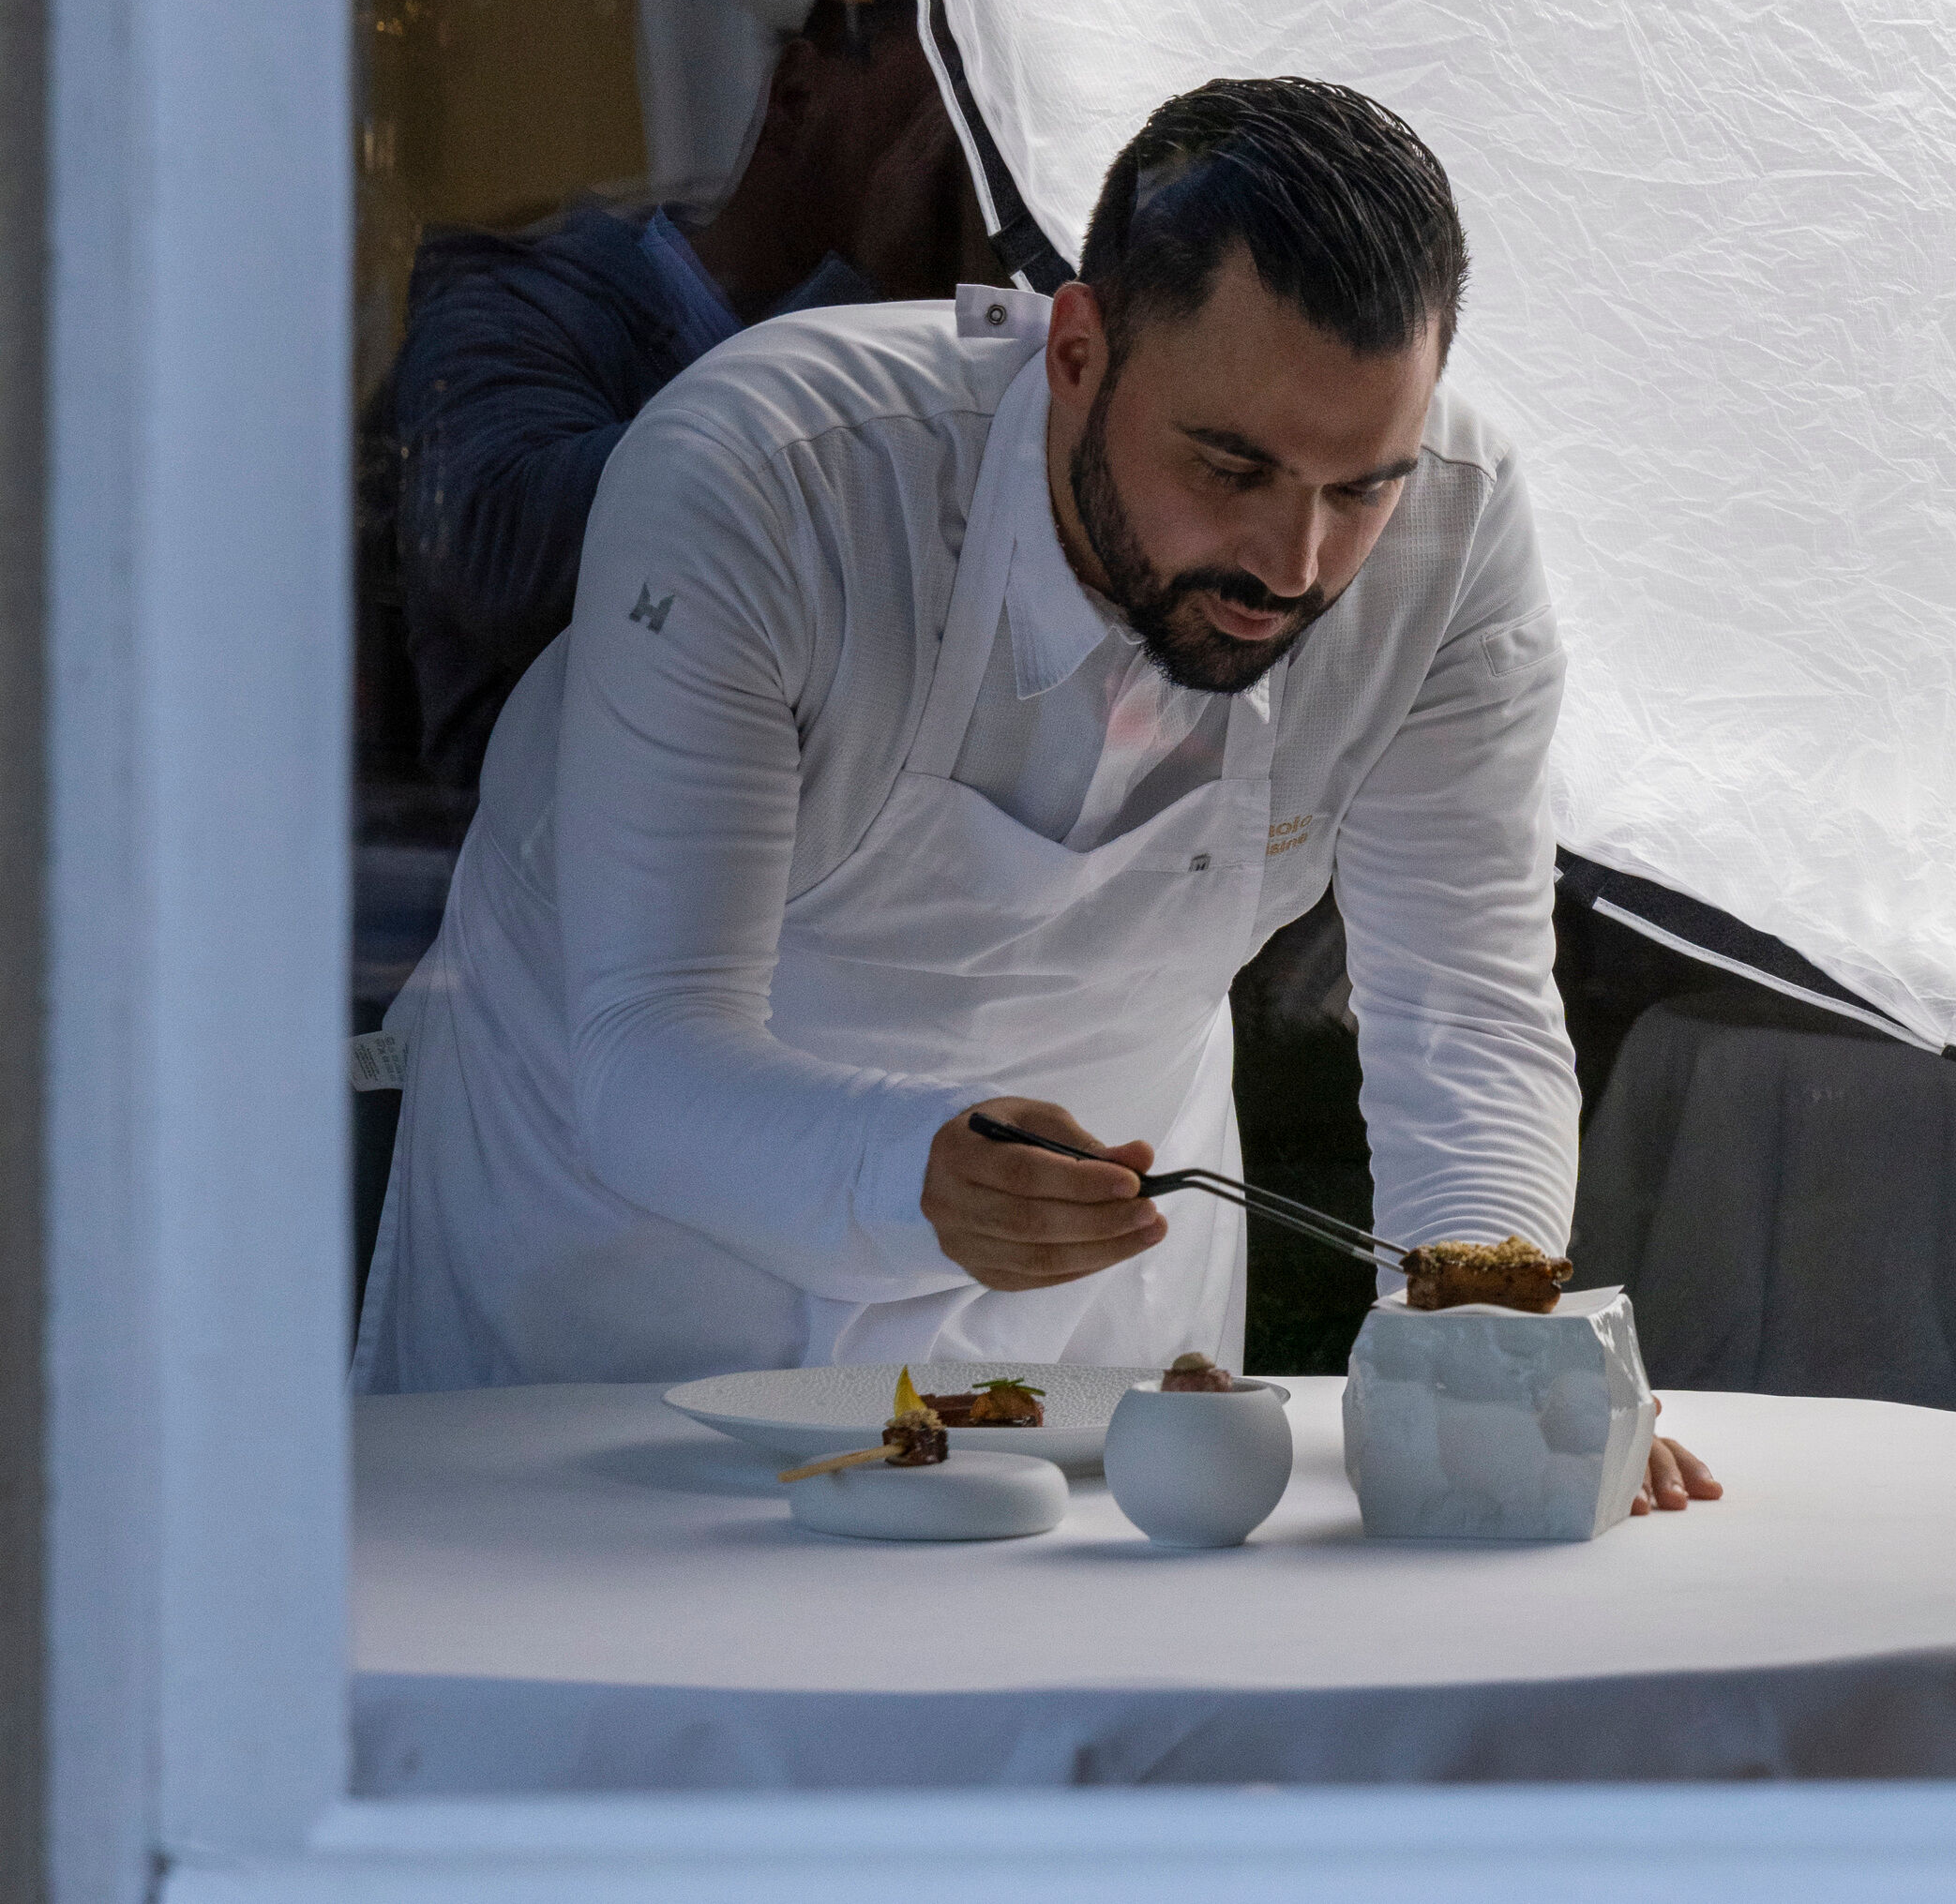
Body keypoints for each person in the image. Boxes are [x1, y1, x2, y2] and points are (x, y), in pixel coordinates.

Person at [353, 77, 1717, 1512]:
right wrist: (914, 1176)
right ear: (1075, 352)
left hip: (1094, 1325)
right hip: (630, 1272)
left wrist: (1491, 1357)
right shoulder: (771, 481)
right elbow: (647, 1050)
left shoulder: (1458, 530)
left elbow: (1464, 1009)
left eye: (1361, 487)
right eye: (1231, 467)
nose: (1295, 564)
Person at [361, 0, 983, 798]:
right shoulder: (524, 308)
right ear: (796, 96)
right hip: (548, 854)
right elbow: (499, 560)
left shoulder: (969, 376)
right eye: (933, 138)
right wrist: (865, 305)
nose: (961, 191)